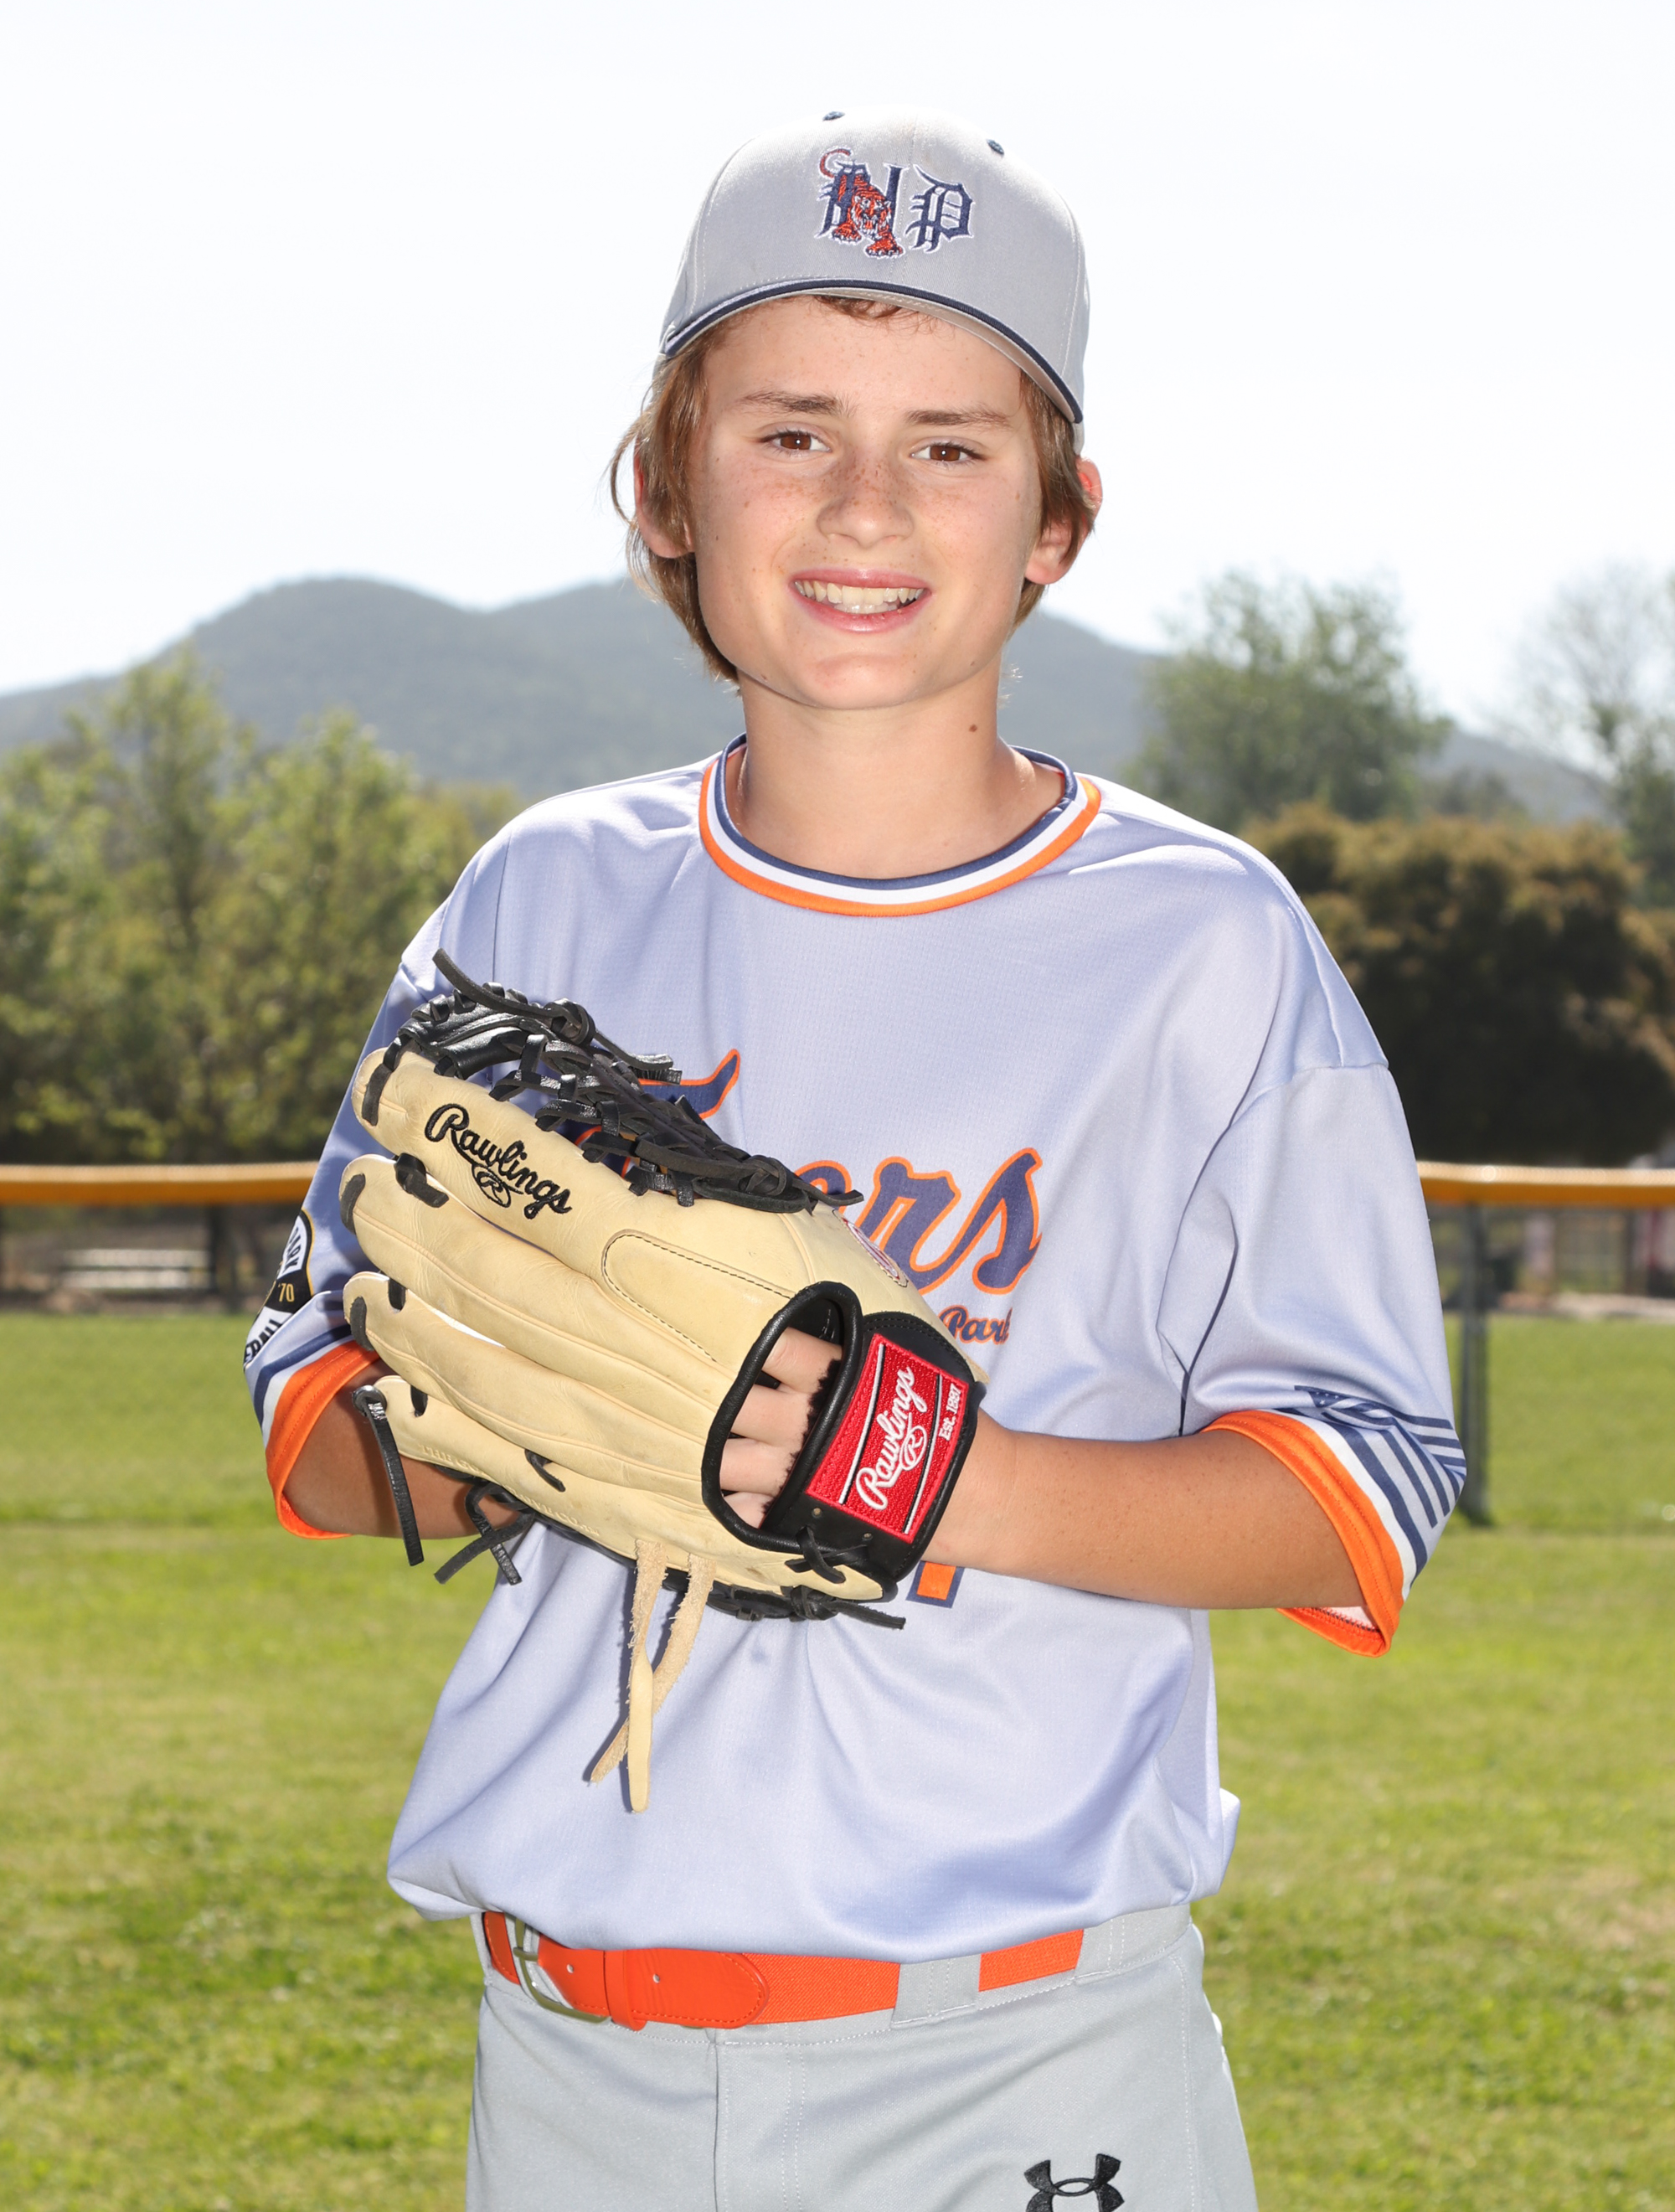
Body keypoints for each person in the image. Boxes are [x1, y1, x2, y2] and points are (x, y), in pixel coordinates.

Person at [245, 109, 1461, 2211]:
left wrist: (917, 1472)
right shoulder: (541, 897)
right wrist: (529, 1430)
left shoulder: (1200, 940)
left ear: (1058, 518)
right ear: (668, 485)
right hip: (577, 2060)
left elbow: (1354, 1487)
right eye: (789, 430)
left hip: (1014, 2044)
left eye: (950, 444)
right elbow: (327, 1423)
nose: (864, 503)